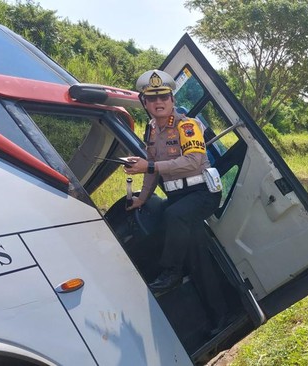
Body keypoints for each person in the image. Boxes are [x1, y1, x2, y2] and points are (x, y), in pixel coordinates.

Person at [123, 69, 230, 334]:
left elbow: (192, 162)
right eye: (152, 98)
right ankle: (221, 318)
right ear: (145, 103)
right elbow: (152, 172)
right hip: (179, 197)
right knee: (199, 258)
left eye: (164, 96)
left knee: (173, 216)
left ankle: (170, 273)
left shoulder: (188, 126)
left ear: (172, 99)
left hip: (203, 193)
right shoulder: (151, 130)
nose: (159, 102)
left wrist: (148, 166)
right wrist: (141, 199)